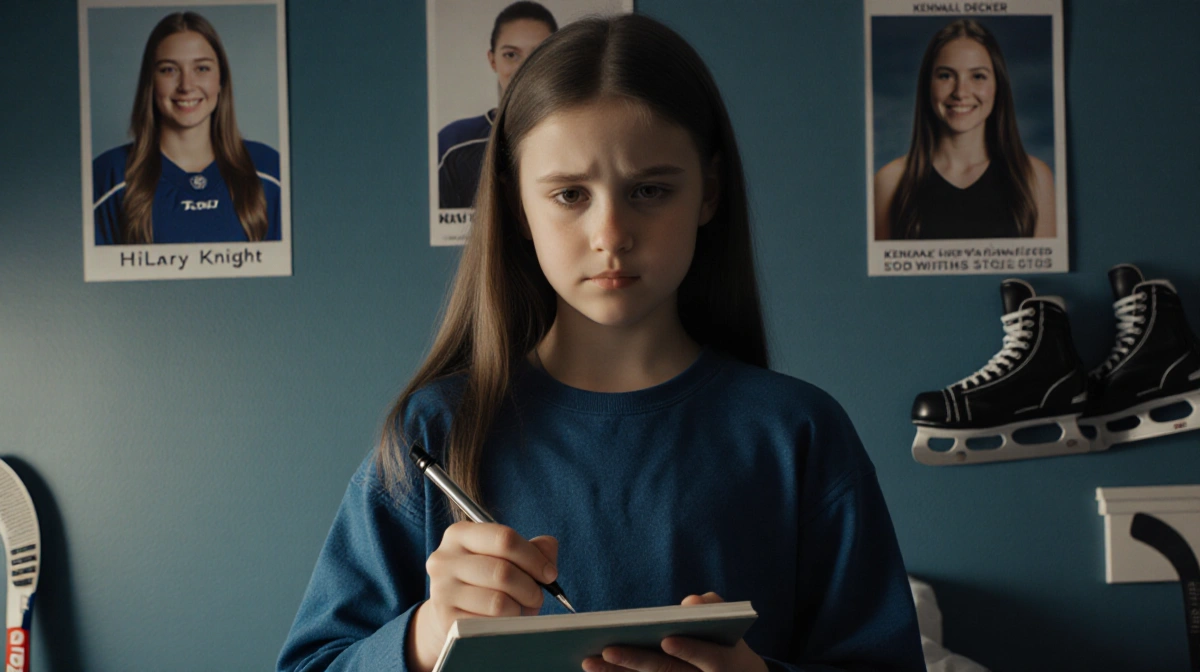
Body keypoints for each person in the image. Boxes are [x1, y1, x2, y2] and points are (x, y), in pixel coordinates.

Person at [279, 14, 924, 672]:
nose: (611, 233)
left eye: (649, 190)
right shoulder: (434, 431)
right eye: (568, 194)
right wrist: (427, 632)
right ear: (516, 205)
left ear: (710, 191)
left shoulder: (800, 433)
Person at [92, 11, 282, 245]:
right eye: (169, 70)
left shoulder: (269, 171)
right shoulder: (109, 176)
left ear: (220, 79)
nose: (186, 86)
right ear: (150, 82)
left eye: (201, 68)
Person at [874, 19, 1054, 240]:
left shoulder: (1034, 178)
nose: (960, 92)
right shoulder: (890, 181)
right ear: (927, 85)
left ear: (998, 86)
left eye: (978, 76)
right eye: (946, 76)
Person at [436, 1, 557, 209]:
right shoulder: (453, 144)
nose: (524, 68)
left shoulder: (580, 138)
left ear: (557, 57)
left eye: (539, 54)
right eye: (511, 55)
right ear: (493, 60)